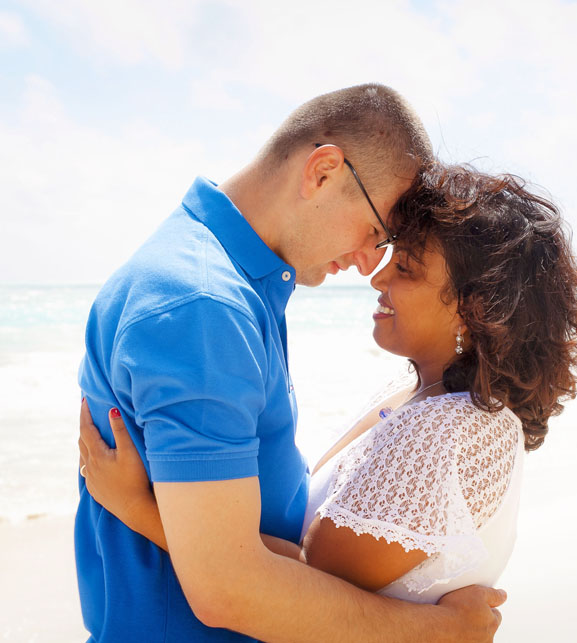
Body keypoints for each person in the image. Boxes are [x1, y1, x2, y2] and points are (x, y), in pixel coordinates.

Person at [75, 84, 507, 643]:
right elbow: (227, 588)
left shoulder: (230, 283)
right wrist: (436, 631)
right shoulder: (206, 307)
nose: (369, 263)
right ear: (322, 172)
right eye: (376, 229)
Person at [78, 163, 577, 618]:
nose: (378, 278)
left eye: (406, 269)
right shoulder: (416, 393)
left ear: (475, 310)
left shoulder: (451, 430)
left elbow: (305, 584)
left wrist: (136, 505)